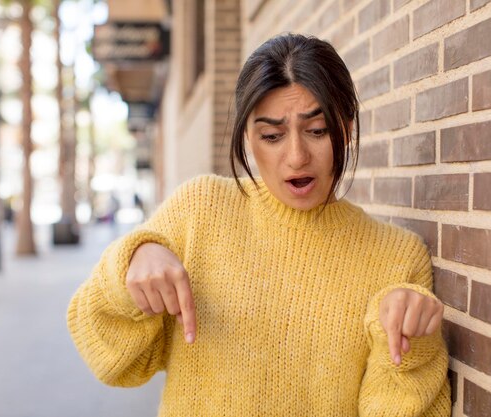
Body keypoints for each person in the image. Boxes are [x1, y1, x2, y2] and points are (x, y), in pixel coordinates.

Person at [67, 33, 451, 416]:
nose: (297, 157)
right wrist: (131, 262)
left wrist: (414, 348)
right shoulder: (200, 210)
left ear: (346, 129)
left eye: (317, 131)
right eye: (272, 136)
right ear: (249, 138)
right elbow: (110, 360)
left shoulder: (396, 257)